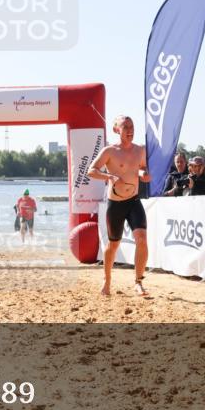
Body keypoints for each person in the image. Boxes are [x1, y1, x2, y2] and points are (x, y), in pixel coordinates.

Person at [86, 115, 151, 297]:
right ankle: (107, 281)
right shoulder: (109, 151)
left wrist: (143, 174)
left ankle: (138, 282)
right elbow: (91, 170)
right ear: (117, 130)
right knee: (113, 245)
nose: (130, 130)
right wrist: (109, 177)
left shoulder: (140, 150)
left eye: (132, 126)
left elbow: (142, 168)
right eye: (126, 127)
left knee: (142, 239)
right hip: (115, 204)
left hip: (133, 200)